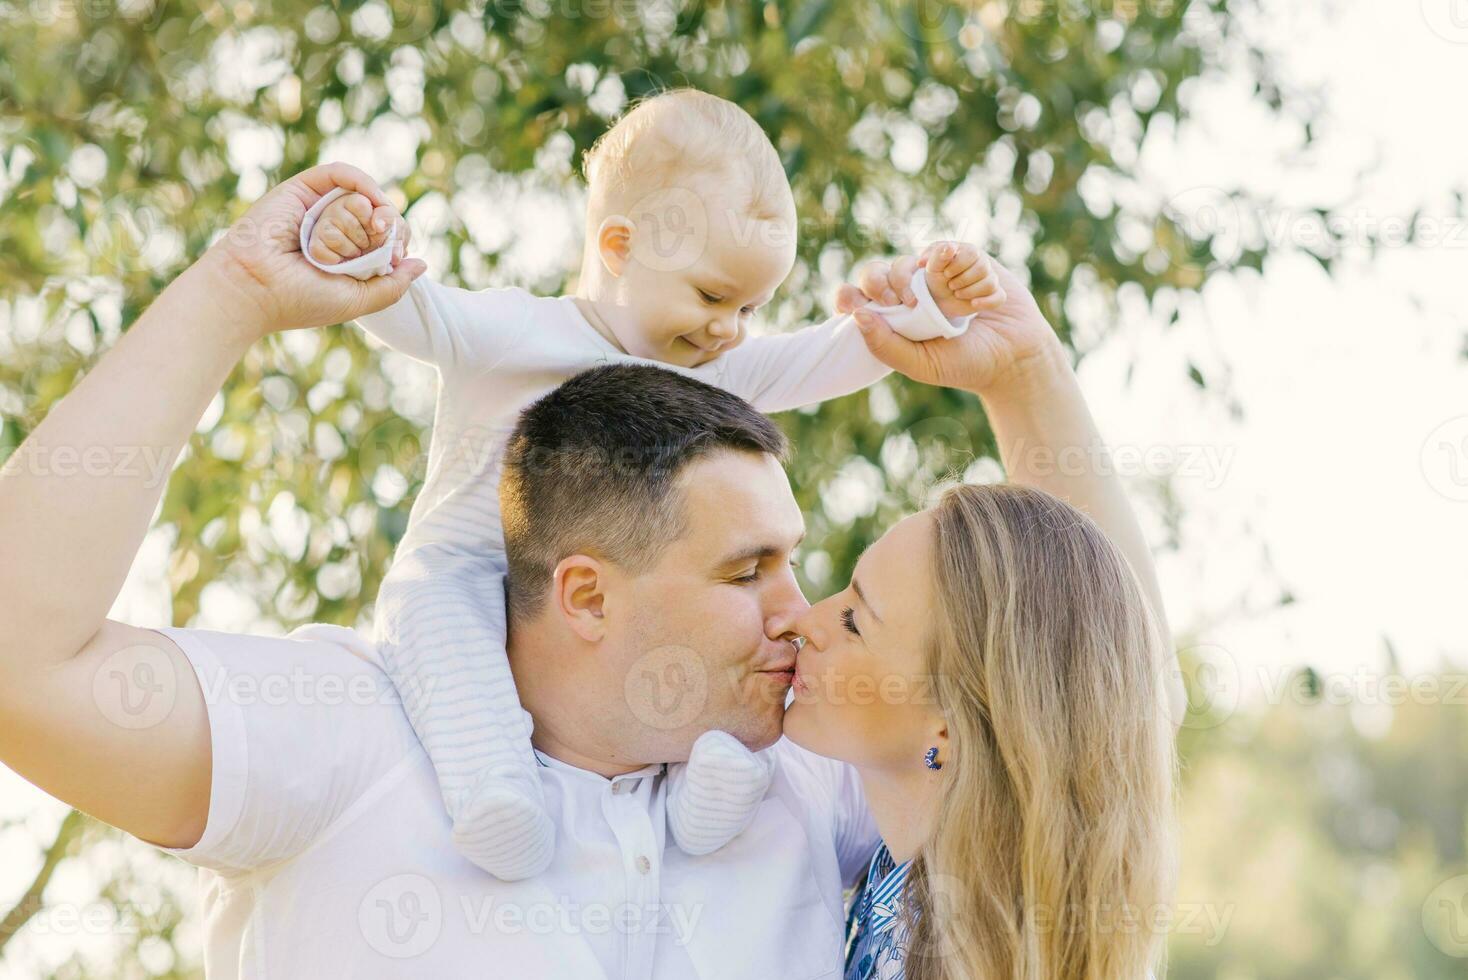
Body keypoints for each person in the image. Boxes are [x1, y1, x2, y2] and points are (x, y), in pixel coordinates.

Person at [0, 163, 1179, 978]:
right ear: (586, 593)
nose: (797, 615)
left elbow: (1099, 703)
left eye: (804, 568)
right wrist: (231, 295)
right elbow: (21, 664)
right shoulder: (346, 732)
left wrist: (1022, 374)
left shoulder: (816, 794)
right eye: (745, 570)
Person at [297, 87, 1001, 881]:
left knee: (723, 652)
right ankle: (494, 791)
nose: (729, 328)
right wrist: (349, 245)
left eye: (750, 306)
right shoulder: (513, 332)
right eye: (711, 295)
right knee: (436, 627)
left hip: (611, 612)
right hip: (469, 568)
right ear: (621, 245)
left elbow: (825, 356)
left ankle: (712, 791)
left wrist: (926, 309)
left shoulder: (706, 372)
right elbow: (405, 310)